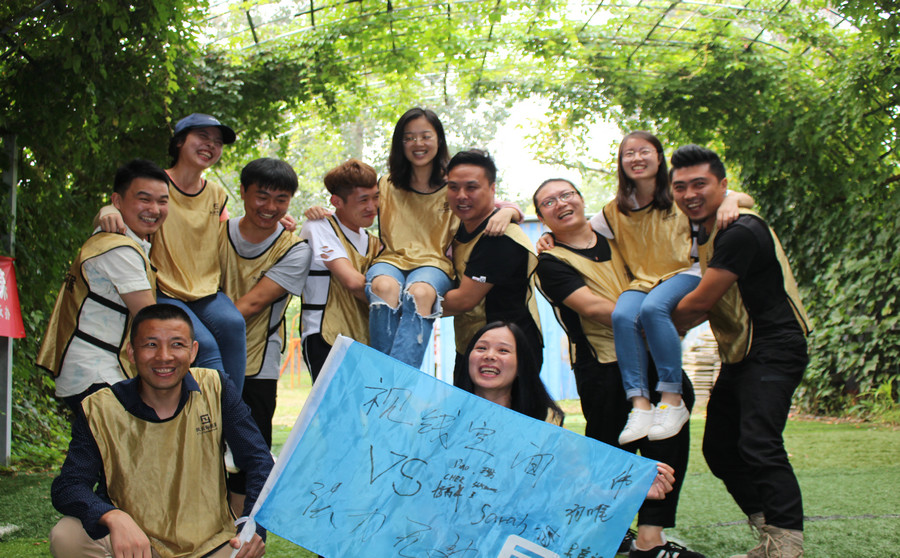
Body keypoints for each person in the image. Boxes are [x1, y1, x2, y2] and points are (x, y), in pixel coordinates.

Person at [534, 178, 704, 558]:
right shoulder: (549, 261)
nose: (561, 203)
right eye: (548, 202)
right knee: (608, 452)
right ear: (543, 217)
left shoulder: (616, 239)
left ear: (580, 199)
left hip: (653, 358)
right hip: (603, 367)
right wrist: (656, 317)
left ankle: (650, 539)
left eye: (566, 194)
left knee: (669, 442)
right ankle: (605, 532)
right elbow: (594, 309)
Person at [670, 145, 810, 558]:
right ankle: (770, 529)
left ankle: (786, 543)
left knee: (758, 442)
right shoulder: (708, 223)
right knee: (719, 447)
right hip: (740, 351)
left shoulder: (739, 231)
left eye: (701, 184)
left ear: (722, 184)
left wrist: (648, 324)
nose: (690, 194)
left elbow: (699, 303)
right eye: (681, 186)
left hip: (774, 345)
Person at [49, 304, 273, 558]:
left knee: (242, 551)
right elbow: (68, 485)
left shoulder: (215, 387)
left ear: (193, 351)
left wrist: (252, 525)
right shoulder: (101, 407)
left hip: (211, 543)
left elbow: (259, 461)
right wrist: (112, 516)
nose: (164, 356)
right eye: (151, 345)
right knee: (67, 536)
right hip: (136, 546)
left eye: (177, 344)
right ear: (131, 352)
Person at [305, 108, 522, 369]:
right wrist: (317, 211)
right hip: (391, 261)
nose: (418, 144)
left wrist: (510, 210)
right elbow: (352, 204)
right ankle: (386, 378)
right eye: (409, 138)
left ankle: (394, 381)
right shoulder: (386, 184)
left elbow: (489, 202)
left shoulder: (452, 186)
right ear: (400, 144)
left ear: (439, 140)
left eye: (425, 136)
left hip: (434, 265)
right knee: (383, 287)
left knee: (420, 292)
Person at [98, 113, 248, 394]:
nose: (211, 145)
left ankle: (233, 417)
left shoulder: (216, 194)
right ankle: (212, 420)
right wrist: (106, 210)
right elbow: (123, 210)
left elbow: (232, 231)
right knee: (202, 346)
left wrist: (280, 224)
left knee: (233, 324)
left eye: (217, 142)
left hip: (205, 290)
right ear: (179, 141)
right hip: (165, 288)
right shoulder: (157, 184)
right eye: (202, 137)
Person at [460, 321, 677, 502]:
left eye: (503, 350)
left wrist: (636, 491)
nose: (489, 355)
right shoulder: (443, 417)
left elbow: (572, 491)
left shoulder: (546, 425)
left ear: (521, 366)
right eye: (481, 348)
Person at [37, 159, 169, 411]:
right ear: (117, 202)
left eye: (162, 201)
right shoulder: (120, 249)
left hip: (90, 371)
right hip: (97, 374)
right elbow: (150, 321)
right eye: (144, 199)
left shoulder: (115, 238)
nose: (154, 209)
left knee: (95, 449)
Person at [219, 158, 311, 499]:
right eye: (262, 196)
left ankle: (243, 538)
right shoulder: (213, 235)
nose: (270, 207)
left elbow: (254, 303)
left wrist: (193, 331)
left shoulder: (295, 249)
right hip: (201, 364)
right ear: (242, 192)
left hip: (258, 364)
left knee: (249, 460)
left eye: (281, 199)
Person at [441, 150, 542, 386]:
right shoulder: (457, 227)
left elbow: (463, 300)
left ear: (492, 189)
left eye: (471, 187)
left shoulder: (500, 237)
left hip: (509, 354)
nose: (461, 195)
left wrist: (408, 303)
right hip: (472, 347)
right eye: (453, 187)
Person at [299, 159, 381, 380]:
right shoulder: (319, 226)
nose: (372, 207)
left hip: (365, 341)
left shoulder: (375, 242)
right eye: (363, 200)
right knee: (334, 412)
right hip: (326, 337)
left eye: (376, 197)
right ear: (337, 201)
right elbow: (353, 283)